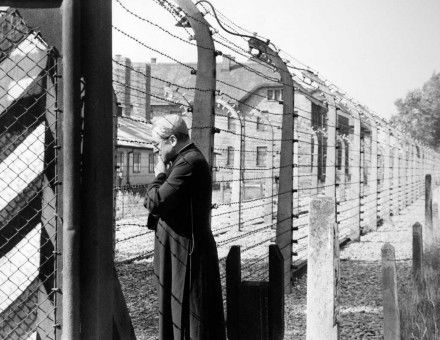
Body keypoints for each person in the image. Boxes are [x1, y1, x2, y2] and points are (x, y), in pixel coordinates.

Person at [144, 114, 226, 340]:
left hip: (186, 254)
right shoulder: (184, 160)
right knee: (179, 311)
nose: (155, 151)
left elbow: (155, 202)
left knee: (189, 316)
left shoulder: (188, 162)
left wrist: (159, 174)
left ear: (171, 139)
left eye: (156, 144)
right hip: (181, 251)